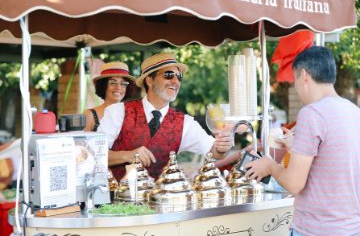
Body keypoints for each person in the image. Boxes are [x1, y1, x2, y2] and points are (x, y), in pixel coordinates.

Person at [244, 46, 360, 236]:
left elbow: (294, 183)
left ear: (304, 75)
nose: (295, 87)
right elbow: (336, 162)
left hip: (316, 230)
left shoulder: (312, 113)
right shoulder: (354, 111)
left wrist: (270, 166)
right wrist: (294, 148)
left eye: (294, 79)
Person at [98, 52, 233, 180]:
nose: (175, 81)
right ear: (150, 80)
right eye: (168, 75)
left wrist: (222, 147)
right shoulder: (118, 112)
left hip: (161, 201)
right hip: (116, 201)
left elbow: (214, 152)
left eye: (179, 76)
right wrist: (127, 155)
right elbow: (95, 154)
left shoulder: (185, 123)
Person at [83, 61, 136, 131]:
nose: (118, 87)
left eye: (123, 83)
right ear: (103, 85)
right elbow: (82, 141)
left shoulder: (134, 115)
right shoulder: (90, 115)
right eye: (113, 83)